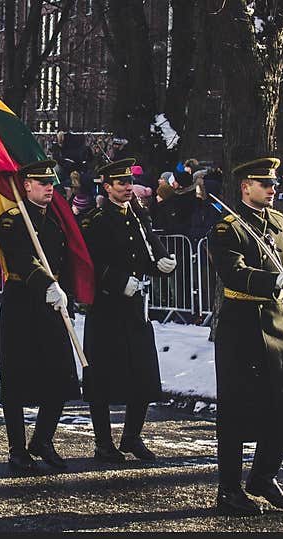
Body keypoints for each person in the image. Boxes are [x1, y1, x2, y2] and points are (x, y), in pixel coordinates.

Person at [207, 157, 283, 516]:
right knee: (238, 411)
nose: (272, 189)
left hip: (277, 323)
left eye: (273, 183)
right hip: (241, 326)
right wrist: (275, 282)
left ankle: (263, 476)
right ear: (245, 187)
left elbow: (281, 269)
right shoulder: (227, 228)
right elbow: (234, 274)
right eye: (263, 184)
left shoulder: (278, 221)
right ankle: (229, 490)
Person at [80, 158, 176, 463]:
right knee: (102, 378)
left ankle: (132, 436)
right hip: (107, 307)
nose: (126, 188)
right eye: (120, 184)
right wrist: (119, 281)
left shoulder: (137, 216)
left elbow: (144, 252)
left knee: (143, 374)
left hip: (135, 308)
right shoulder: (94, 220)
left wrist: (159, 265)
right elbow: (90, 264)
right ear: (107, 187)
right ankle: (103, 442)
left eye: (128, 183)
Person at [0, 159, 81, 474]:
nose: (49, 189)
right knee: (16, 380)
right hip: (22, 303)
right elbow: (21, 256)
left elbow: (63, 259)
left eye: (51, 184)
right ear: (26, 185)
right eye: (42, 183)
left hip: (51, 304)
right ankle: (17, 448)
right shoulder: (11, 220)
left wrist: (67, 291)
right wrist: (47, 284)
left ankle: (43, 439)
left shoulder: (55, 221)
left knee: (60, 376)